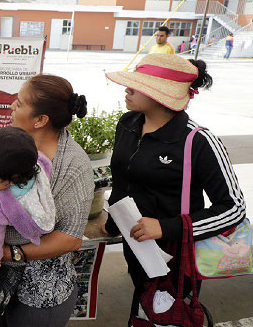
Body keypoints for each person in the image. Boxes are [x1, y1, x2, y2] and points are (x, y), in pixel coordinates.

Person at [103, 53, 246, 325]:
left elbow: (234, 209)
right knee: (142, 311)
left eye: (138, 84)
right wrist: (113, 223)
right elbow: (122, 179)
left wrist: (167, 227)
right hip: (135, 247)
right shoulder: (128, 123)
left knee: (169, 317)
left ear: (161, 94)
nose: (127, 88)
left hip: (175, 259)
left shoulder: (199, 141)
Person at [0, 75, 94, 327]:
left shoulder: (74, 165)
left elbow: (71, 238)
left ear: (41, 120)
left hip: (42, 290)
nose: (11, 107)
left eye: (19, 104)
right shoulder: (11, 140)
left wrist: (12, 253)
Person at [0, 126, 55, 268]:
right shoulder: (37, 168)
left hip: (17, 242)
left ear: (11, 180)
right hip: (39, 233)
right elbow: (45, 162)